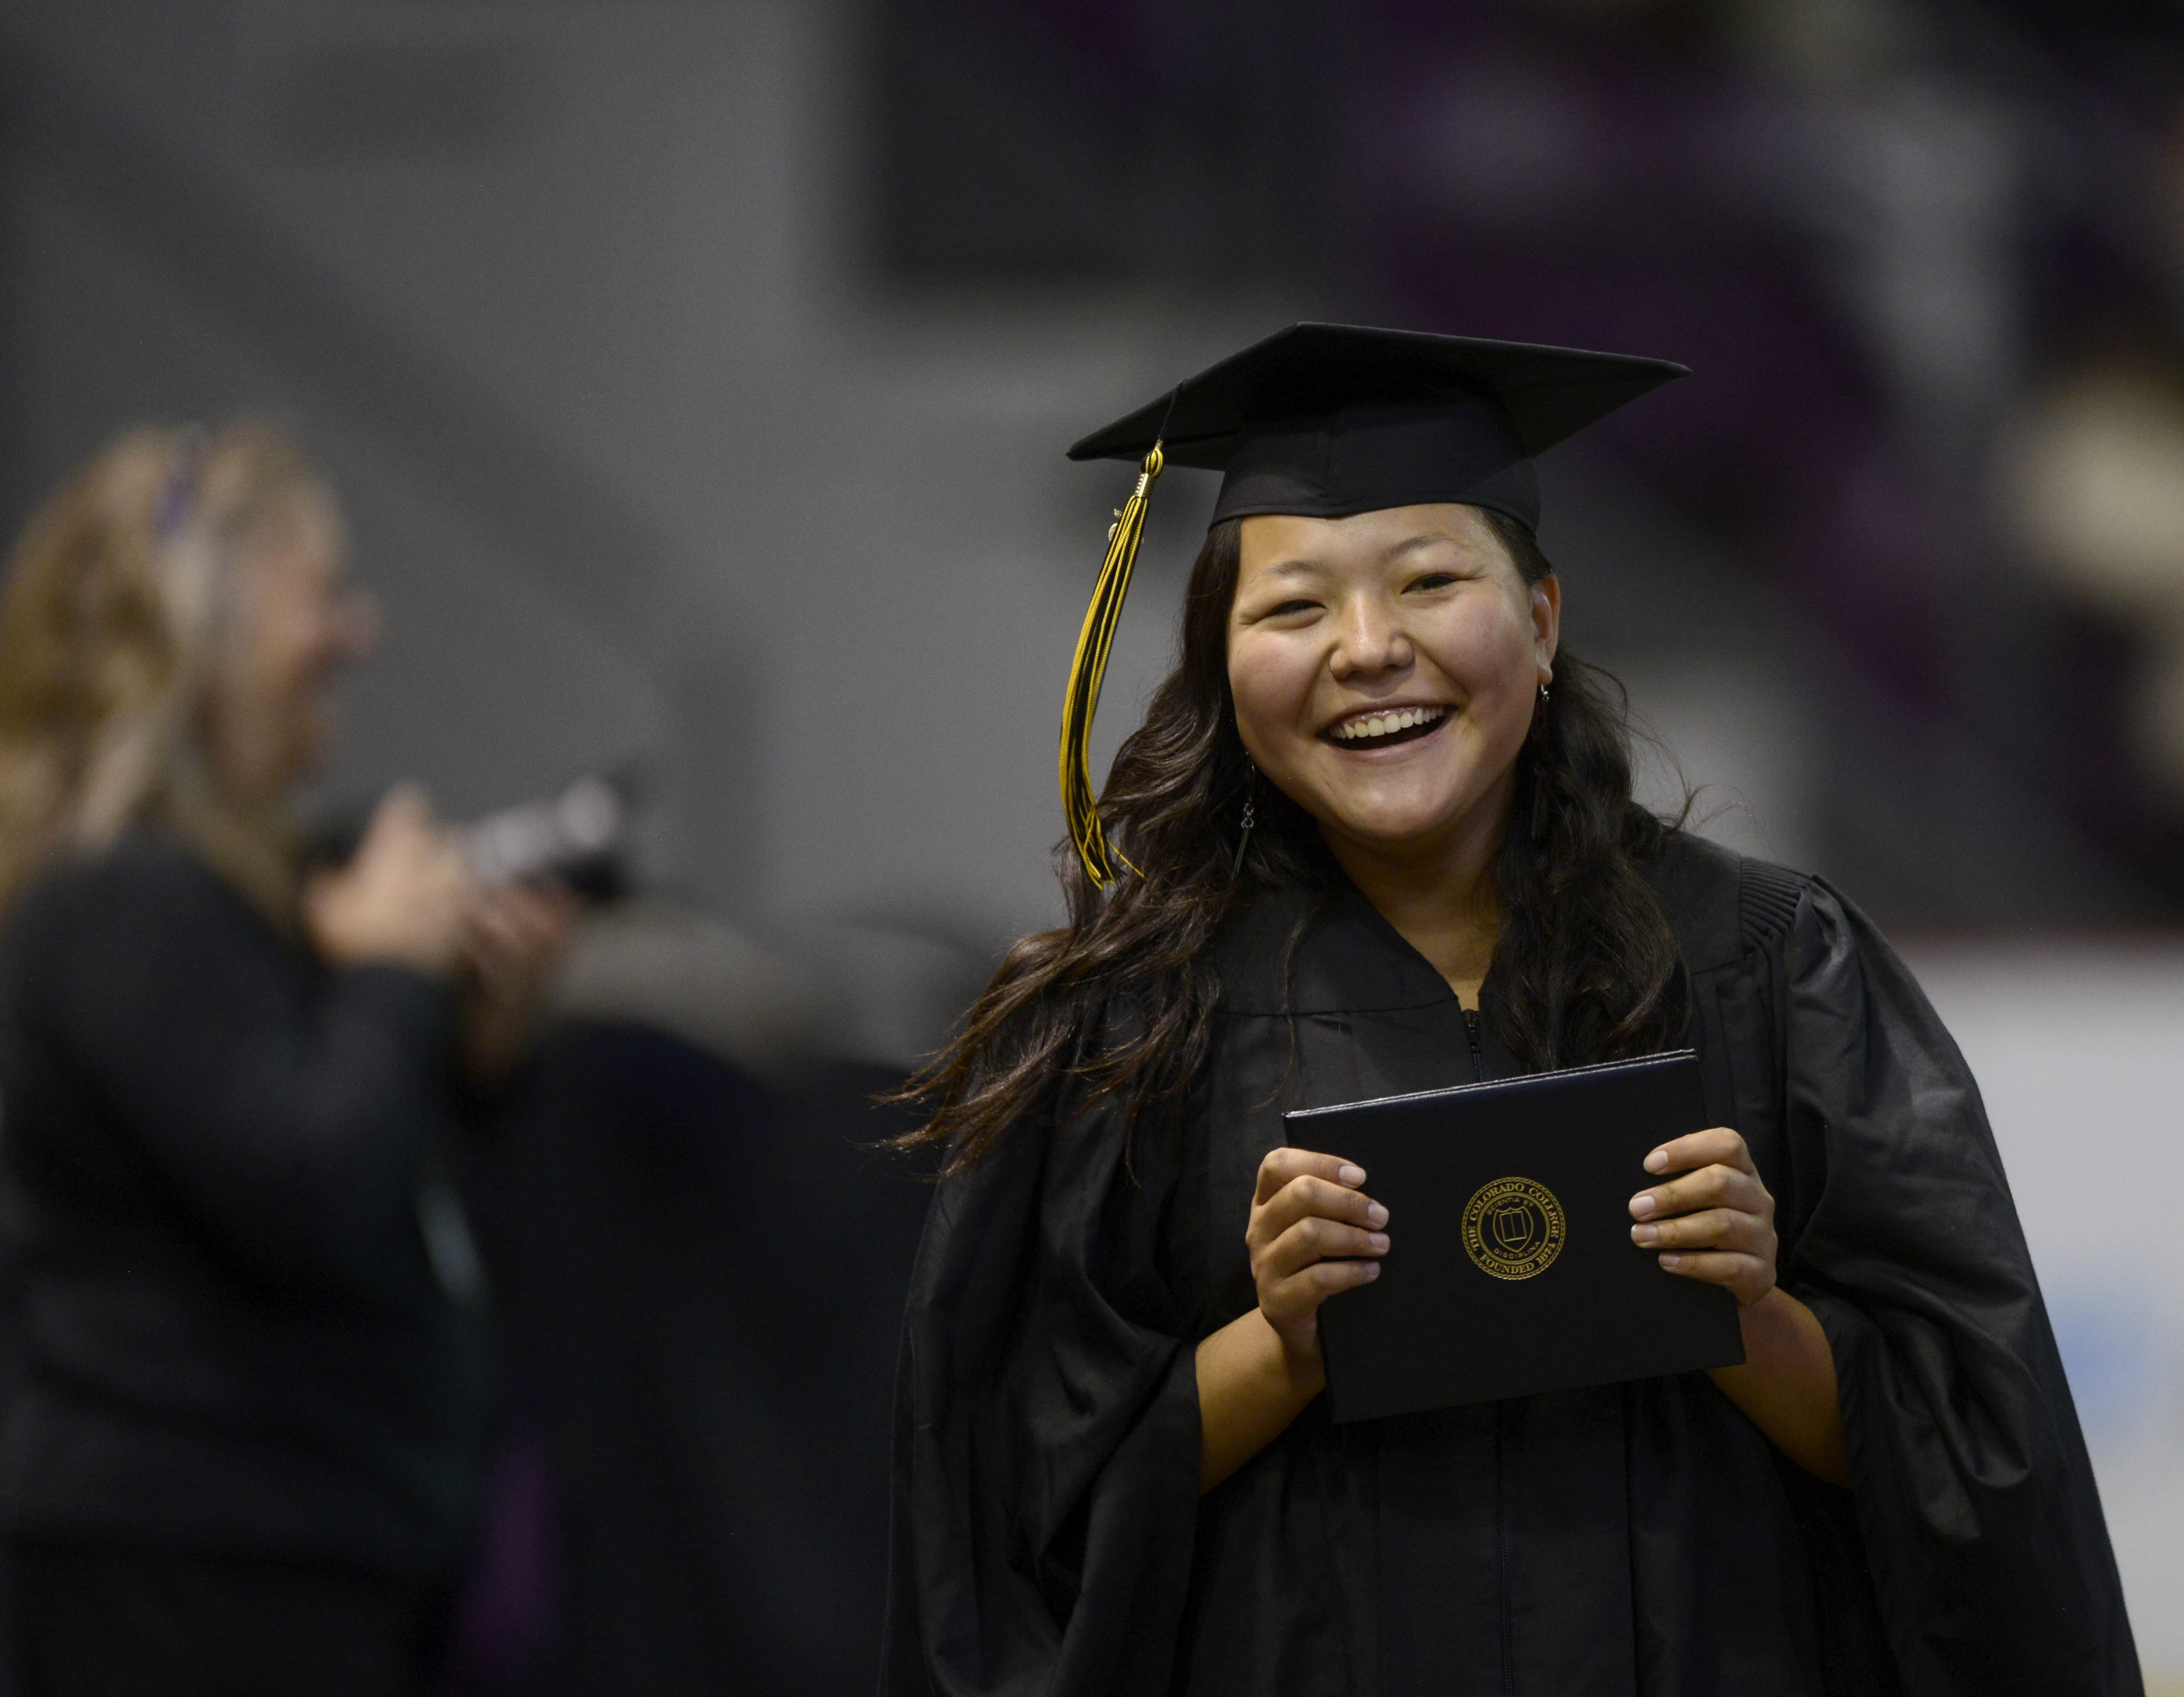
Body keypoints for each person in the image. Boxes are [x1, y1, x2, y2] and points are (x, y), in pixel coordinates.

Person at [883, 326, 2137, 1696]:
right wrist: (1279, 1343)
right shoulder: (1121, 1030)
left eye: (1429, 581)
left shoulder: (1768, 968)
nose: (1368, 649)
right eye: (1292, 608)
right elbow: (996, 1524)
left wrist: (1752, 1314)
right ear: (1222, 665)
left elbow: (1987, 1487)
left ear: (1539, 619)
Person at [0, 423, 570, 1695]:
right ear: (197, 638)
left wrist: (471, 1044)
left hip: (291, 1543)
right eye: (318, 595)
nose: (355, 632)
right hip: (194, 1563)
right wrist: (390, 970)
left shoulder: (226, 889)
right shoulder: (120, 896)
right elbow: (304, 1190)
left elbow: (362, 1174)